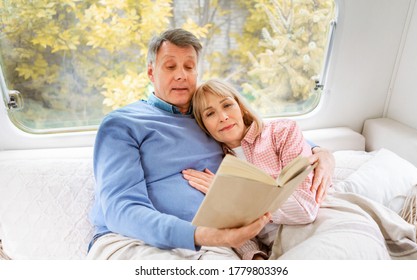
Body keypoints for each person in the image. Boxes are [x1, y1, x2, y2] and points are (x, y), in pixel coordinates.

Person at [87, 28, 334, 260]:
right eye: (170, 66)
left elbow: (261, 134)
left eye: (189, 67)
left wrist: (320, 152)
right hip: (136, 240)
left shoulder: (207, 119)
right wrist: (203, 235)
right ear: (152, 72)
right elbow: (121, 209)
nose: (181, 74)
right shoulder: (122, 124)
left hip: (218, 243)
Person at [183, 78, 319, 259]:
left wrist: (236, 196)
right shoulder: (216, 165)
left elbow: (305, 210)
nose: (223, 117)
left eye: (227, 105)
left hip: (312, 231)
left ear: (240, 107)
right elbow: (232, 226)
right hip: (272, 247)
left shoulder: (282, 132)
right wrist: (254, 256)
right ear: (203, 125)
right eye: (210, 114)